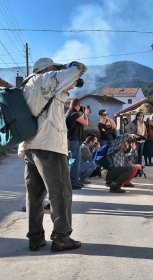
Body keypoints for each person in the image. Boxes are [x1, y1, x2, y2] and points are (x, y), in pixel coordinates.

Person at [20, 57, 87, 252]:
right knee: (61, 192)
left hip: (30, 146)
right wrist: (69, 67)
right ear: (48, 69)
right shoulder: (45, 79)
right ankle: (61, 237)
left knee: (34, 194)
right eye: (55, 68)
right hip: (49, 145)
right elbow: (79, 69)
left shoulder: (26, 85)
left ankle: (35, 238)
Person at [66, 98, 90, 189]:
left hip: (72, 139)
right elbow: (86, 123)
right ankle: (73, 182)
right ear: (77, 105)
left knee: (74, 161)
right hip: (74, 140)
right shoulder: (74, 114)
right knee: (75, 161)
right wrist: (86, 114)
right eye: (80, 105)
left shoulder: (69, 112)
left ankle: (74, 180)